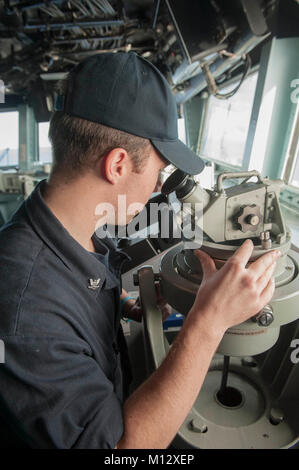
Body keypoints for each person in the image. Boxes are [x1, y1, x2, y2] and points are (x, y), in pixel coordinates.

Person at [0, 51, 279, 449]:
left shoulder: (79, 231)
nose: (157, 187)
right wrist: (208, 324)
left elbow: (74, 303)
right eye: (158, 171)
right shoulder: (24, 308)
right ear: (116, 165)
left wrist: (123, 306)